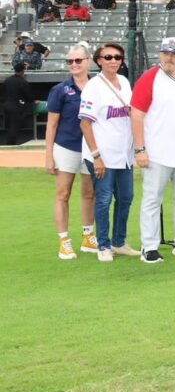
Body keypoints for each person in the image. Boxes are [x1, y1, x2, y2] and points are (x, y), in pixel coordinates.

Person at [130, 37, 175, 264]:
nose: (169, 58)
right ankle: (149, 246)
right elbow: (136, 114)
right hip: (157, 153)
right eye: (165, 53)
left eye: (174, 54)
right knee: (152, 199)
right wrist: (140, 149)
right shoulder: (149, 78)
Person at [79, 43, 138, 262]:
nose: (114, 61)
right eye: (108, 57)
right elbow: (85, 123)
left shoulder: (124, 82)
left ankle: (119, 242)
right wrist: (96, 156)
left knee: (126, 197)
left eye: (117, 57)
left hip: (124, 154)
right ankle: (103, 245)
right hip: (102, 154)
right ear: (99, 60)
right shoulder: (93, 86)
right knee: (103, 199)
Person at [45, 45, 97, 259]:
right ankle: (64, 241)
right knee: (63, 193)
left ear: (88, 61)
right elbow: (51, 125)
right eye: (70, 61)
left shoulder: (98, 86)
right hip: (66, 146)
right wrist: (48, 156)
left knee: (90, 193)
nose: (74, 64)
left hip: (91, 148)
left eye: (78, 60)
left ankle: (88, 236)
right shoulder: (60, 90)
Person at [4, 61, 34, 146]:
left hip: (6, 105)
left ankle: (9, 143)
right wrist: (33, 100)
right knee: (14, 126)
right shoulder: (23, 82)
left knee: (8, 126)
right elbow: (28, 95)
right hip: (16, 106)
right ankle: (11, 145)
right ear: (22, 71)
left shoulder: (7, 80)